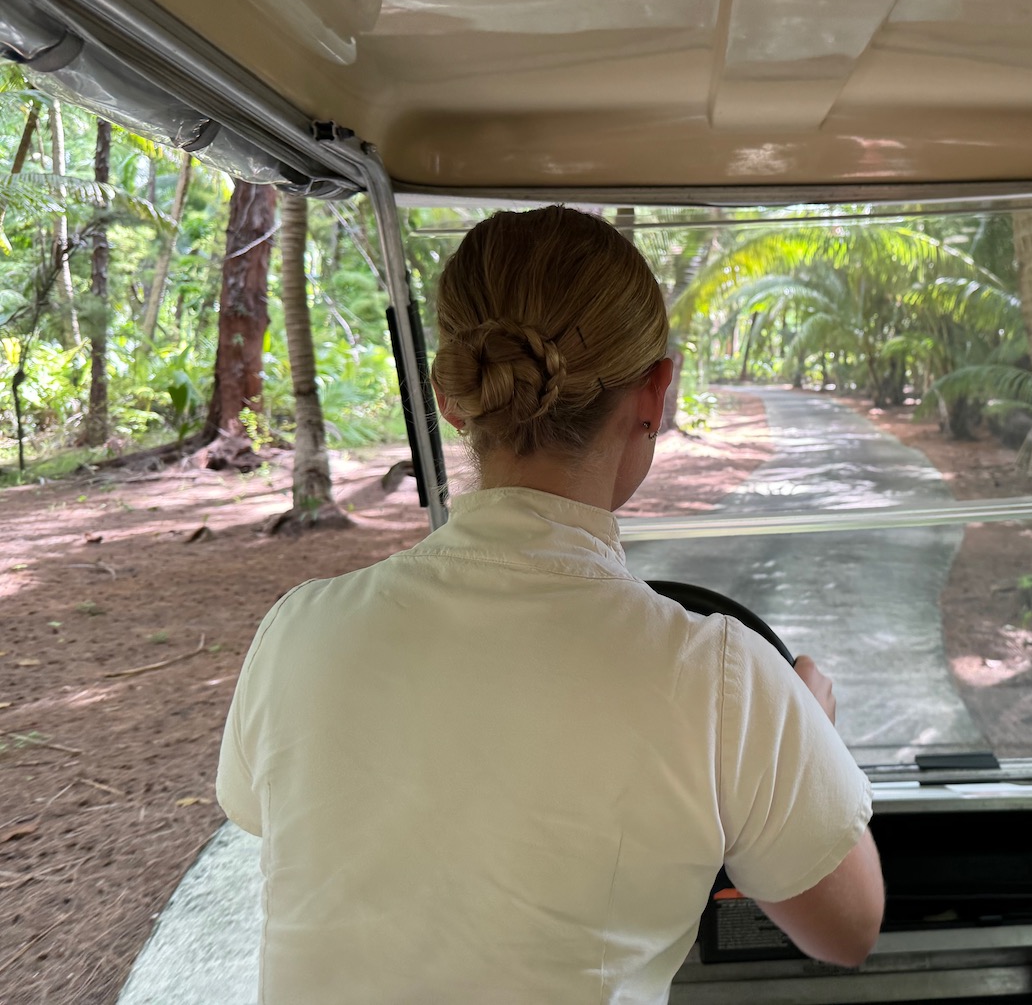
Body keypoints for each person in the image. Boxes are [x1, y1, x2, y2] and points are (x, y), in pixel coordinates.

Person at [216, 205, 883, 1003]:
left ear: (452, 396)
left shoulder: (298, 630)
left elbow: (267, 814)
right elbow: (848, 930)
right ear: (656, 393)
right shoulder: (727, 681)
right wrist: (806, 722)